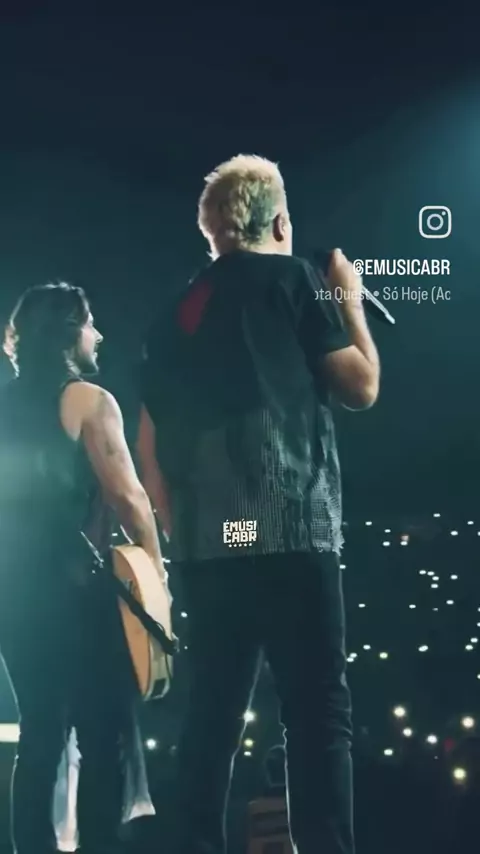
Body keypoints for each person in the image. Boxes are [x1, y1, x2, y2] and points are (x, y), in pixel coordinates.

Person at [136, 155, 380, 854]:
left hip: (211, 544)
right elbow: (361, 386)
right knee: (316, 711)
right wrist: (349, 300)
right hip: (291, 530)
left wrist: (179, 526)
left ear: (212, 230)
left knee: (211, 713)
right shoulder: (294, 280)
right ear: (277, 223)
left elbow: (148, 442)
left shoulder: (174, 313)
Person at [0, 282, 170, 854]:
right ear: (69, 333)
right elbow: (130, 499)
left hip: (13, 595)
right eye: (90, 323)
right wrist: (157, 582)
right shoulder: (87, 400)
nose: (98, 334)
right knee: (104, 736)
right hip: (75, 592)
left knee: (40, 736)